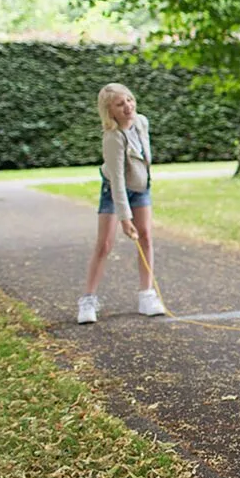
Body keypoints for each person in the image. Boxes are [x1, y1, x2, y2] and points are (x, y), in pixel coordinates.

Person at [78, 83, 166, 323]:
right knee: (105, 244)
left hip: (140, 188)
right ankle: (88, 300)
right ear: (110, 111)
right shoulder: (113, 138)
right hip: (114, 191)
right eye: (120, 104)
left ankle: (146, 295)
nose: (128, 106)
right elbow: (117, 180)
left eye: (129, 100)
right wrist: (125, 219)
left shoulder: (141, 122)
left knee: (146, 237)